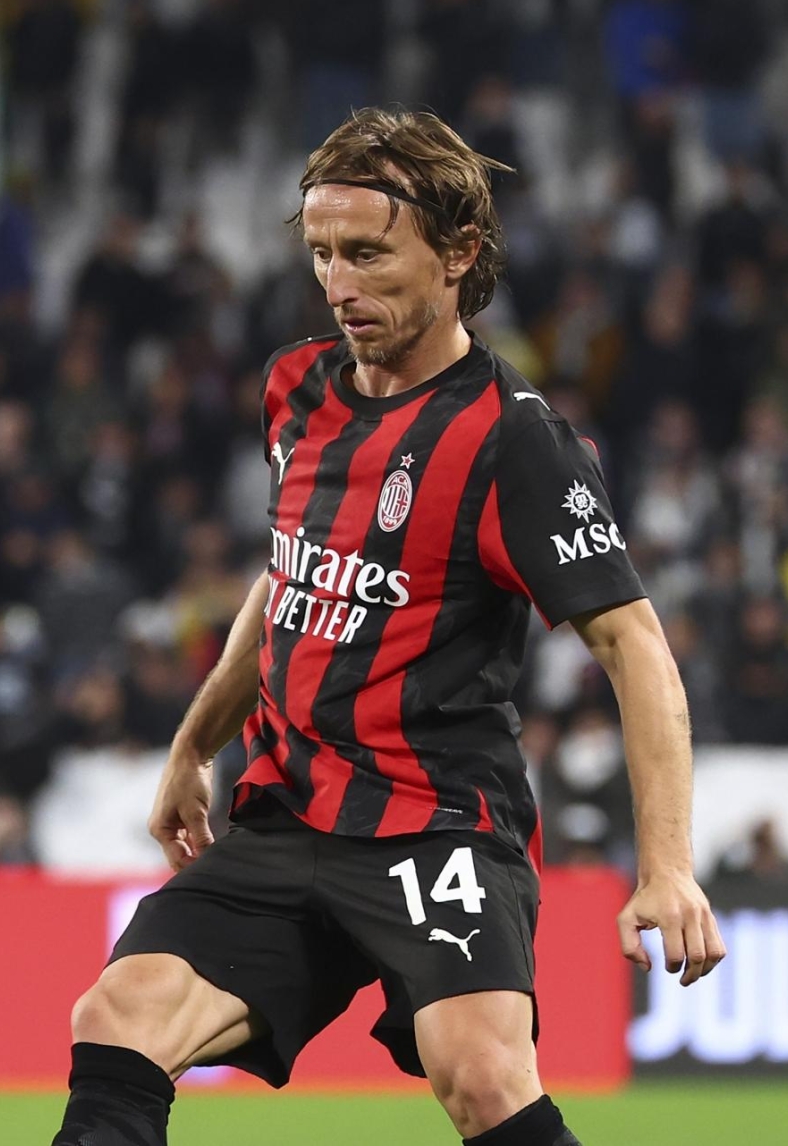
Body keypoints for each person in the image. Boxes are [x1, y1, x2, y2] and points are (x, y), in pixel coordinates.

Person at [49, 108, 726, 1146]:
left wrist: (668, 866)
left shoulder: (513, 441)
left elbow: (634, 646)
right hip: (289, 812)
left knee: (483, 1073)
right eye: (321, 254)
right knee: (118, 1019)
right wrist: (194, 747)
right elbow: (287, 582)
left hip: (437, 820)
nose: (338, 283)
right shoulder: (296, 390)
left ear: (459, 252)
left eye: (367, 253)